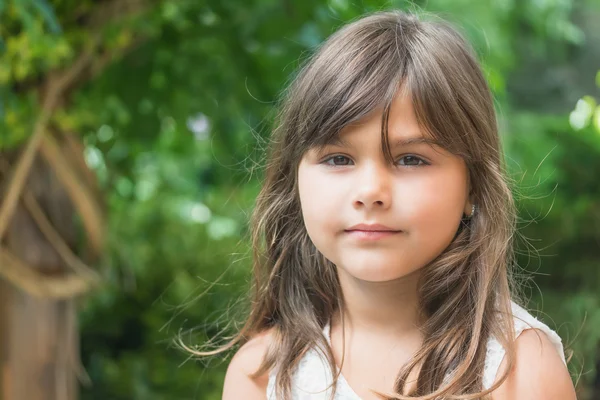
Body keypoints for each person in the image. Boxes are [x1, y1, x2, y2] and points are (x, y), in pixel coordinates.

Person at [208, 10, 576, 399]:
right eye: (338, 158)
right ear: (295, 180)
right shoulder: (262, 375)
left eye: (411, 159)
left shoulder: (517, 373)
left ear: (473, 187)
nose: (370, 191)